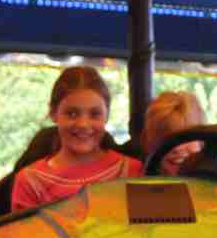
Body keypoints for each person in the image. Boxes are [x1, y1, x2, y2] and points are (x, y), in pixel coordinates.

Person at [11, 66, 137, 212]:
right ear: (53, 113)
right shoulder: (30, 182)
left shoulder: (132, 171)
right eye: (72, 114)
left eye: (94, 114)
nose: (83, 124)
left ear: (107, 115)